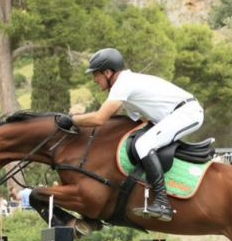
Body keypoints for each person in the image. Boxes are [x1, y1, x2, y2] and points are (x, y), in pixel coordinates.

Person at [59, 48, 204, 222]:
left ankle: (162, 203)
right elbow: (116, 116)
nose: (94, 80)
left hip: (187, 113)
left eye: (95, 75)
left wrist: (72, 120)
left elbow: (100, 118)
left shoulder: (123, 83)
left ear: (107, 72)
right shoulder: (123, 84)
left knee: (143, 144)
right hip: (174, 114)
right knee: (139, 140)